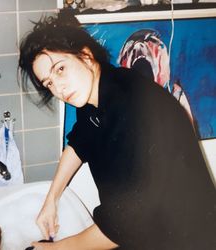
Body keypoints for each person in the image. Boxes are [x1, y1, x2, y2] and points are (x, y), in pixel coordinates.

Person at [19, 12, 216, 250]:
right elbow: (80, 141)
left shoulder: (131, 106)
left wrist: (56, 248)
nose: (58, 88)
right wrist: (51, 199)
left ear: (86, 56)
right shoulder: (96, 92)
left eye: (60, 69)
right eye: (49, 83)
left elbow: (128, 221)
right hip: (151, 230)